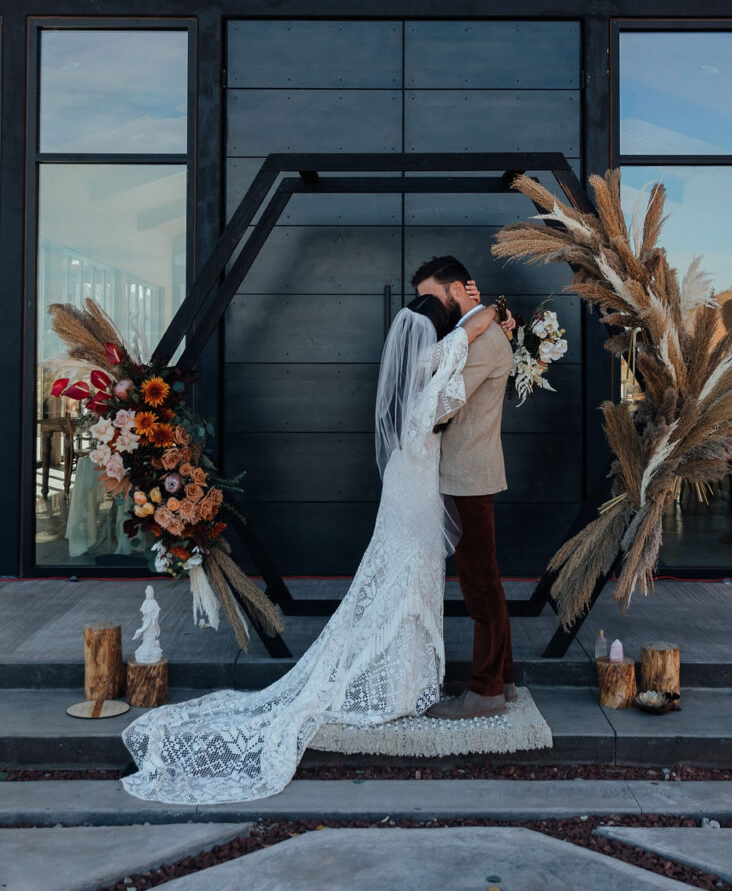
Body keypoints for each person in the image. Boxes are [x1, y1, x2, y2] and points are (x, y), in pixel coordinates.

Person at [120, 293, 503, 804]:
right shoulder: (433, 378)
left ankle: (404, 680)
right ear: (432, 337)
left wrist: (473, 328)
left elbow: (444, 364)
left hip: (407, 484)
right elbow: (439, 400)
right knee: (406, 577)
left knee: (405, 578)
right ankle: (397, 686)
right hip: (413, 489)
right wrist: (478, 327)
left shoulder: (422, 366)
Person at [413, 256, 516, 720]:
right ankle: (503, 681)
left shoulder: (483, 338)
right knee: (484, 577)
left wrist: (412, 406)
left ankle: (485, 690)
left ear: (457, 289)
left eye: (433, 297)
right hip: (465, 471)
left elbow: (443, 408)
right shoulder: (475, 331)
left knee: (479, 584)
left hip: (468, 474)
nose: (427, 309)